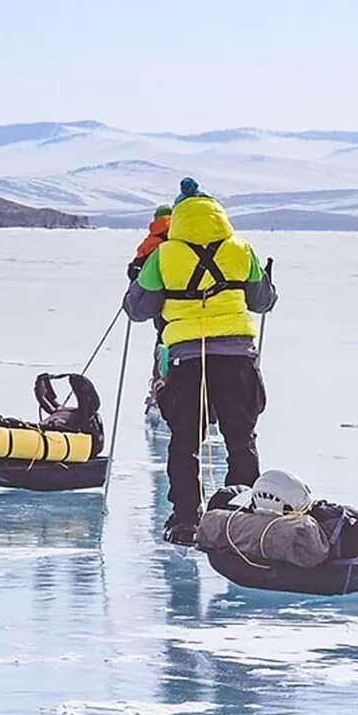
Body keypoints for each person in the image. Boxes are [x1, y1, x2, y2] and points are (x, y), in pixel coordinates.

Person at [123, 177, 276, 545]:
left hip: (186, 359)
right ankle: (240, 517)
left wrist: (137, 283)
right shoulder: (241, 249)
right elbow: (263, 301)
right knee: (240, 440)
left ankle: (185, 520)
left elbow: (138, 309)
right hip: (238, 357)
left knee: (184, 442)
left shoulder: (163, 255)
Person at [130, 204, 174, 407]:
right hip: (188, 300)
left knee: (163, 342)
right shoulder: (182, 237)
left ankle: (160, 389)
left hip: (160, 303)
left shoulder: (150, 242)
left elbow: (135, 271)